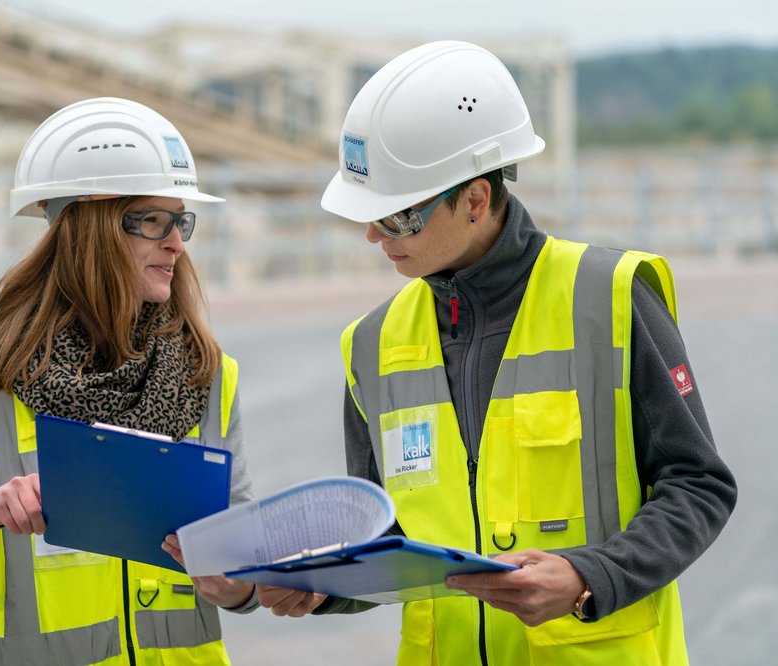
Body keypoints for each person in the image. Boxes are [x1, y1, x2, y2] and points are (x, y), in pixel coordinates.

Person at [268, 41, 738, 664]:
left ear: (475, 200)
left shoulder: (609, 299)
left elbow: (699, 484)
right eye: (370, 215)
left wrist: (590, 575)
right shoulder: (372, 344)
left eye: (398, 216)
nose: (374, 235)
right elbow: (389, 538)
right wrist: (320, 583)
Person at [0, 97, 259, 666]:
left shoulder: (206, 374)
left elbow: (242, 563)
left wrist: (241, 586)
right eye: (153, 220)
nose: (176, 242)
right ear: (88, 231)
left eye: (181, 221)